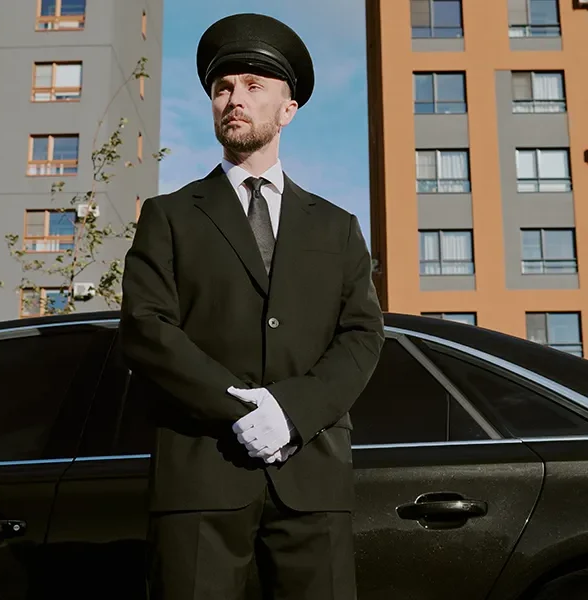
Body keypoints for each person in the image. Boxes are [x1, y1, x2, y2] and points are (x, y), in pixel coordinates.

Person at [119, 12, 385, 600]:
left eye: (253, 86)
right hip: (199, 479)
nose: (233, 98)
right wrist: (238, 408)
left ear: (288, 110)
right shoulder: (169, 216)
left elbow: (363, 336)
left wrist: (292, 411)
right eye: (222, 88)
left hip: (312, 479)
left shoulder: (338, 227)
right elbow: (145, 328)